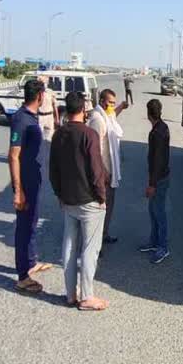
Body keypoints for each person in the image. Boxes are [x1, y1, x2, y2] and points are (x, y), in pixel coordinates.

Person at [50, 92, 109, 311]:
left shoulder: (58, 135)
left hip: (68, 201)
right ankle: (87, 297)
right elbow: (96, 170)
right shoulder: (89, 134)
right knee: (89, 249)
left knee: (69, 246)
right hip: (89, 201)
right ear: (84, 110)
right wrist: (102, 196)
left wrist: (59, 195)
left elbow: (53, 171)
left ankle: (69, 294)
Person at [8, 79, 52, 295]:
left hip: (34, 181)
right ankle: (22, 276)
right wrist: (18, 190)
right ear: (40, 96)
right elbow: (13, 156)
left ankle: (31, 262)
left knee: (32, 223)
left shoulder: (31, 117)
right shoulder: (21, 120)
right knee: (24, 227)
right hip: (25, 184)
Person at [87, 89, 128, 244]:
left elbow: (112, 116)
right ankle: (96, 242)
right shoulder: (97, 120)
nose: (112, 105)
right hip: (103, 174)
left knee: (109, 206)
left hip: (109, 172)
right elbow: (94, 150)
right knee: (101, 209)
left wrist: (121, 108)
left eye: (114, 103)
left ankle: (104, 235)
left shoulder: (106, 115)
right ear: (102, 101)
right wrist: (103, 172)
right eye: (110, 102)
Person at [139, 99, 171, 264]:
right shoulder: (162, 127)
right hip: (161, 177)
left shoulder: (157, 133)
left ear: (148, 113)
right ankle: (154, 242)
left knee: (159, 212)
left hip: (159, 179)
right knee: (153, 210)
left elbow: (157, 160)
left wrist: (152, 184)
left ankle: (163, 247)